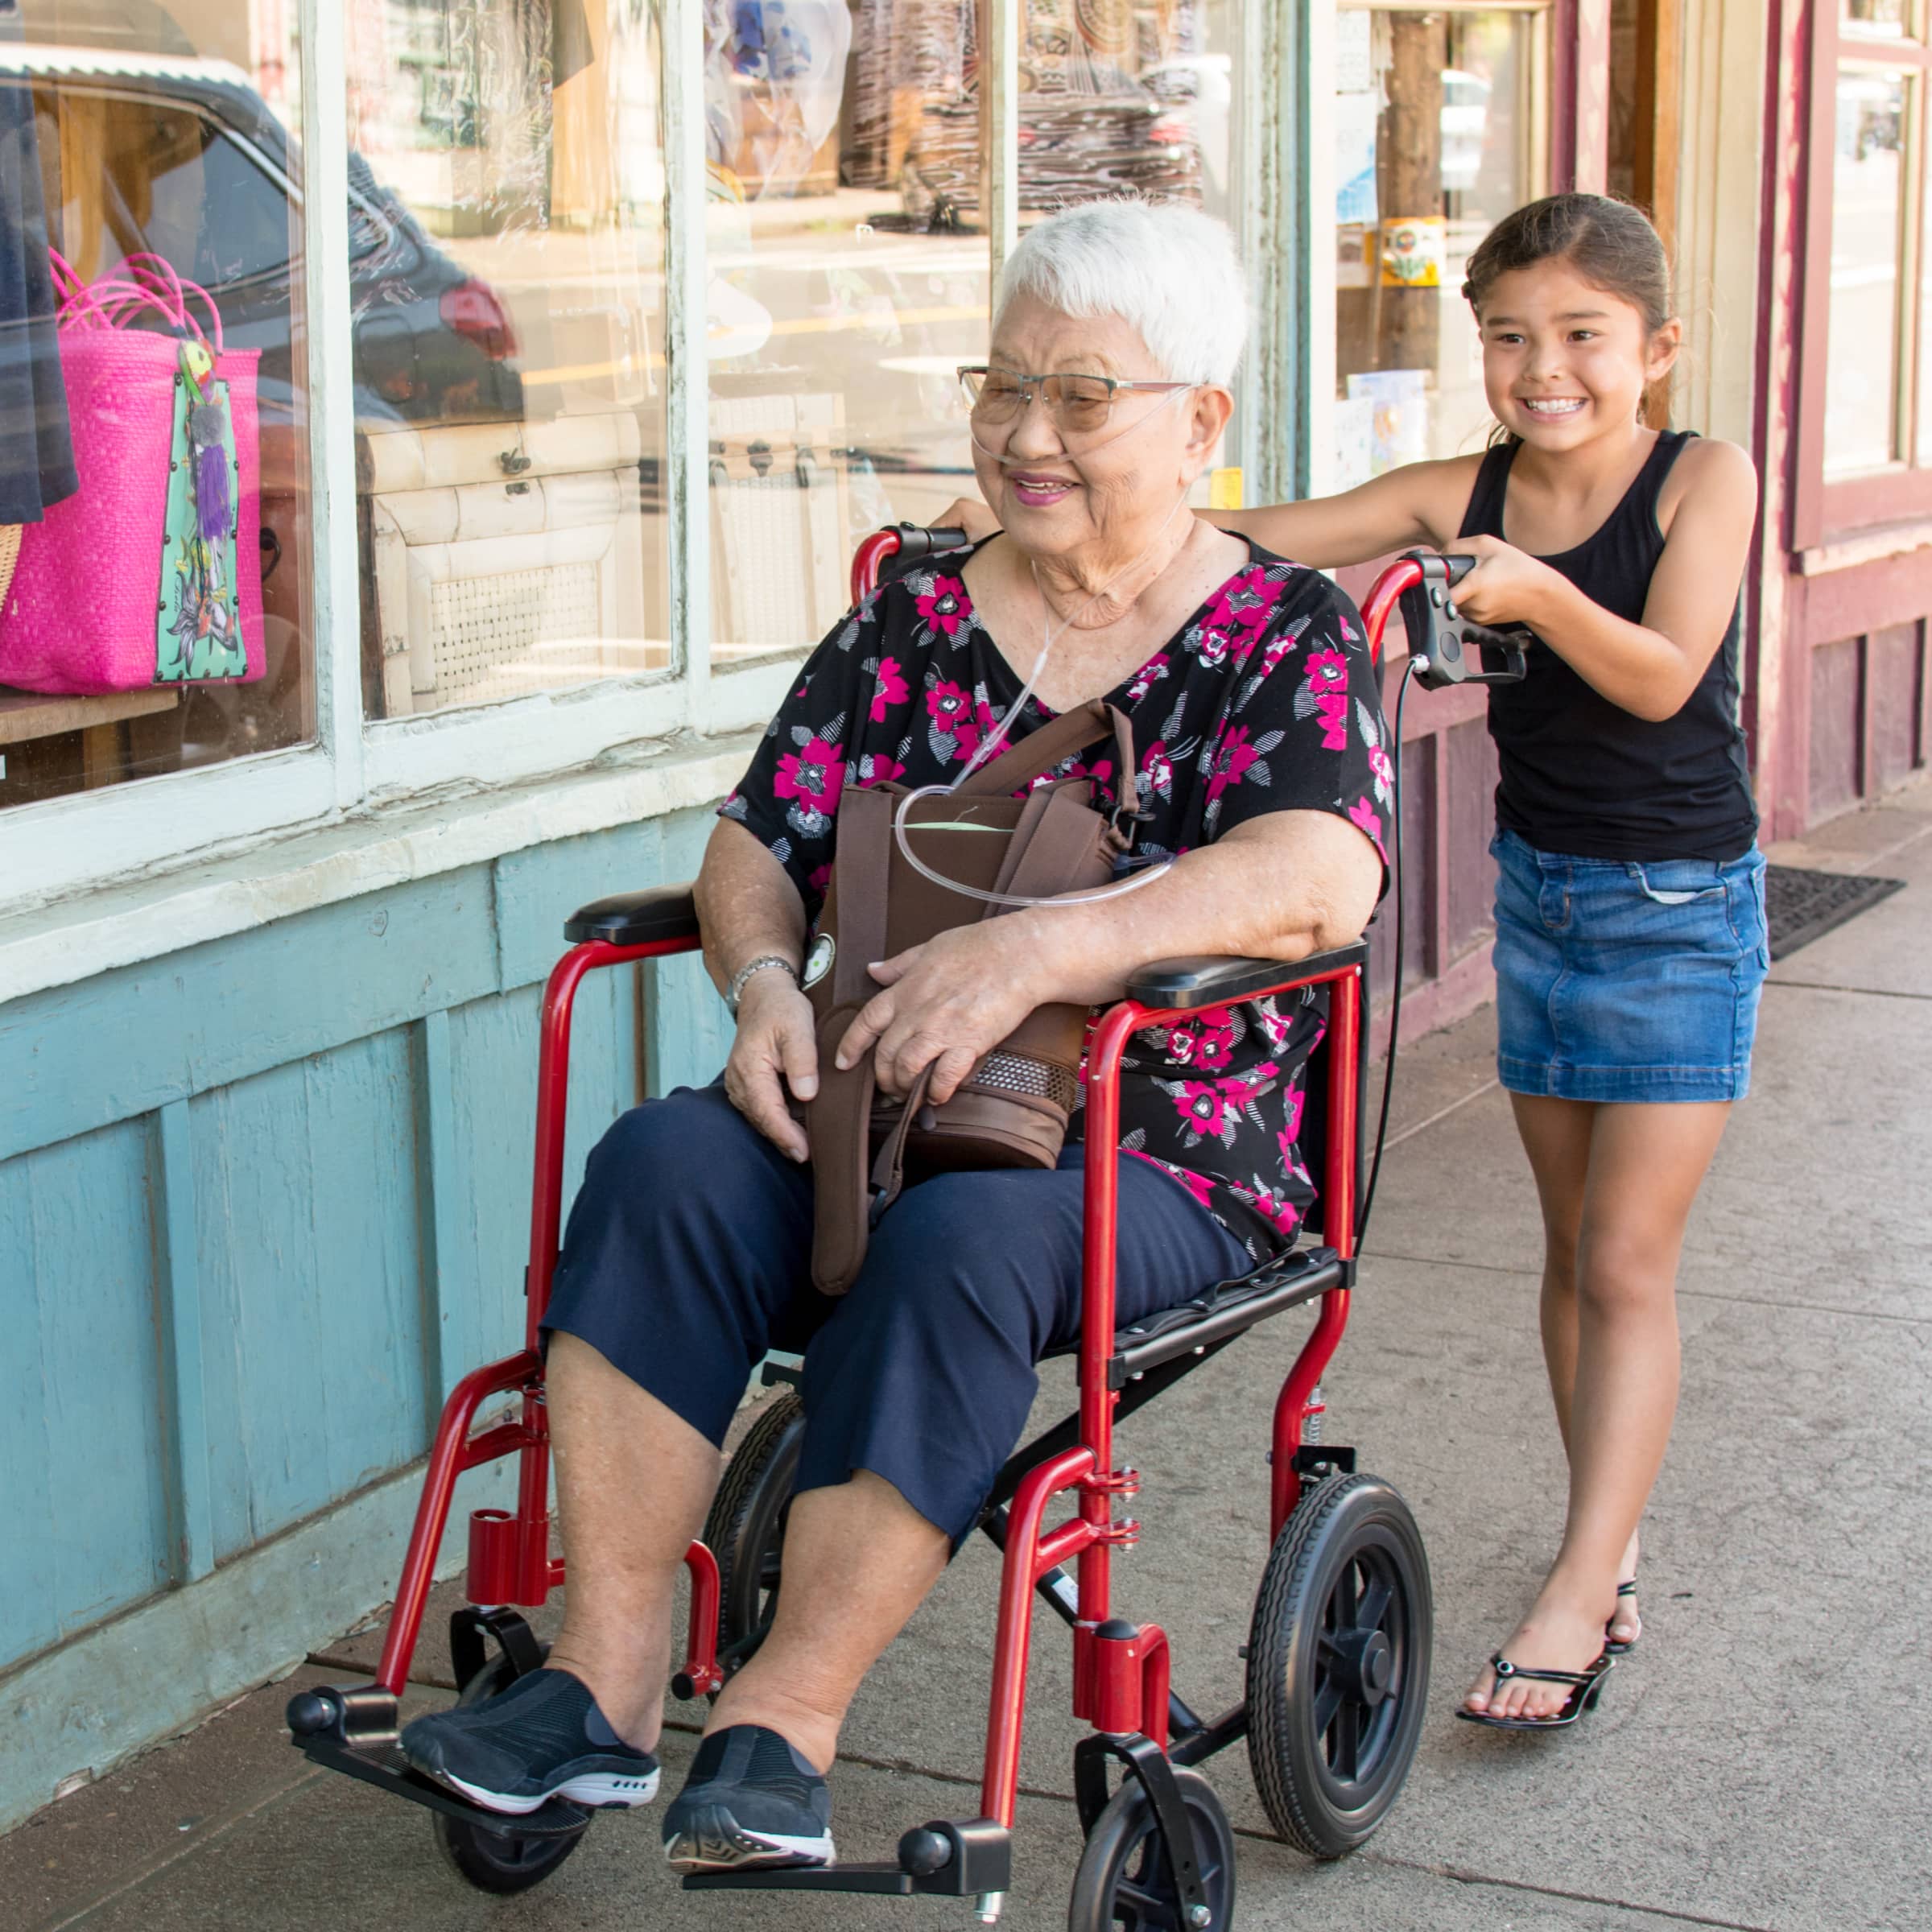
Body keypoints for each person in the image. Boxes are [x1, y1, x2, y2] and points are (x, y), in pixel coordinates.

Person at [399, 197, 1389, 1868]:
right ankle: (603, 1686)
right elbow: (751, 844)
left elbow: (1318, 877)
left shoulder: (1275, 638)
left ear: (1202, 423)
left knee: (962, 1248)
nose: (1022, 435)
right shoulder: (914, 616)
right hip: (873, 1091)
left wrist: (1041, 954)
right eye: (1002, 387)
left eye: (1083, 399)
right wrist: (769, 987)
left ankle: (785, 1723)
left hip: (1150, 1151)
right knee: (665, 1161)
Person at [951, 191, 1765, 1729]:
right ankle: (1617, 1521)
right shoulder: (1471, 483)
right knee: (1567, 1245)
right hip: (1548, 901)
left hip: (1677, 910)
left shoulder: (1698, 477)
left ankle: (1581, 1595)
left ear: (1654, 351)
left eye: (1583, 339)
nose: (1545, 371)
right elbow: (1247, 539)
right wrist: (1035, 512)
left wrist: (1536, 593)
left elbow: (1664, 675)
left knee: (1627, 1264)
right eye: (1509, 338)